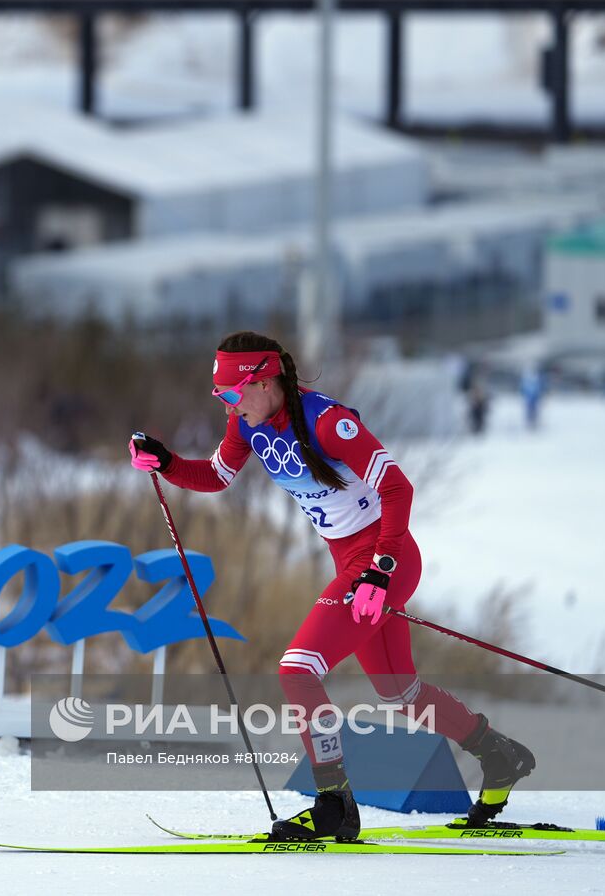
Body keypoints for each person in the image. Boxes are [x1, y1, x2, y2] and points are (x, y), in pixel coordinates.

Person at [128, 331, 534, 842]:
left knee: (298, 669)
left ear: (265, 380)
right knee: (399, 691)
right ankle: (498, 754)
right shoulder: (246, 422)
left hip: (384, 558)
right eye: (221, 397)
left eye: (232, 393)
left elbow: (396, 487)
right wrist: (165, 462)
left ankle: (334, 803)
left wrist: (379, 569)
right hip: (351, 562)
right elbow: (215, 475)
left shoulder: (328, 422)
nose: (228, 405)